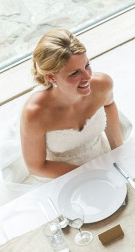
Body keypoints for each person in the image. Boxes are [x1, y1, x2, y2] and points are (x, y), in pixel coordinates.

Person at [17, 29, 126, 180]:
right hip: (61, 175)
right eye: (75, 73)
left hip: (101, 156)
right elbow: (36, 166)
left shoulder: (102, 84)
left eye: (87, 65)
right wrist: (89, 175)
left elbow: (109, 105)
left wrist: (118, 153)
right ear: (51, 77)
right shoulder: (35, 113)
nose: (87, 77)